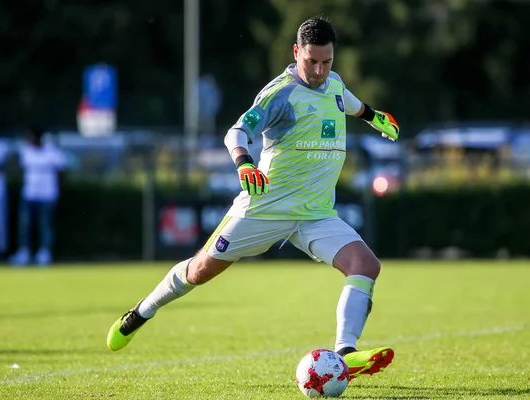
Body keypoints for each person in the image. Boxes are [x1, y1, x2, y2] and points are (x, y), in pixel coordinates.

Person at [107, 16, 400, 380]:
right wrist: (245, 164)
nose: (321, 70)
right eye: (313, 62)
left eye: (327, 62)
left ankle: (345, 354)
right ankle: (141, 313)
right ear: (296, 53)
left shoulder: (334, 83)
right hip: (266, 208)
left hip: (316, 214)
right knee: (199, 271)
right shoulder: (280, 94)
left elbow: (349, 102)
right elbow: (237, 131)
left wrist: (374, 116)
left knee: (366, 265)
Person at [10, 127, 67, 266]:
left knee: (45, 225)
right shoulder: (25, 151)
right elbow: (17, 167)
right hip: (29, 193)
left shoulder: (52, 152)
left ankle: (44, 253)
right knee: (25, 225)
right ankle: (24, 252)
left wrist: (59, 191)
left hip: (47, 195)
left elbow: (61, 173)